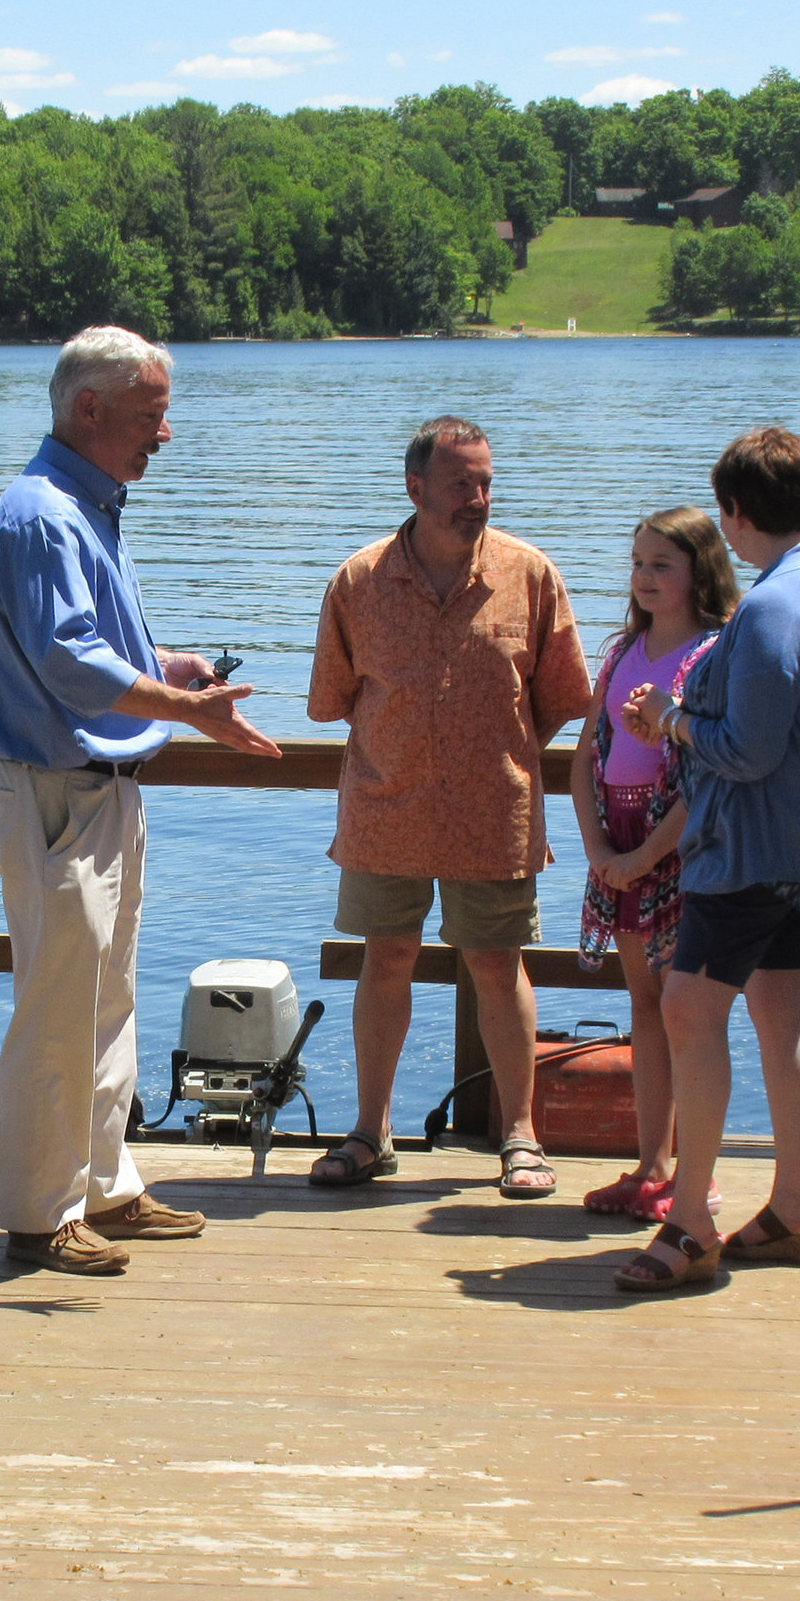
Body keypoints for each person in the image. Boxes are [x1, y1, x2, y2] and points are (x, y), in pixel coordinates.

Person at [0, 325, 281, 1277]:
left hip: (94, 793)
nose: (166, 434)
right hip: (60, 793)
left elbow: (89, 651)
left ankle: (105, 1188)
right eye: (151, 415)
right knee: (60, 1010)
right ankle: (39, 1214)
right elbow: (68, 664)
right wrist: (186, 706)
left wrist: (165, 669)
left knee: (104, 1004)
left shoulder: (81, 505)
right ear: (89, 409)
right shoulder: (46, 515)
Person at [306, 416, 592, 1198]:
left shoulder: (529, 574)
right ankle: (371, 1133)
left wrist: (491, 748)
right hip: (384, 808)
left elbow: (562, 696)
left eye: (486, 481)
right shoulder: (358, 581)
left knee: (499, 966)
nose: (478, 496)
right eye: (461, 482)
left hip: (492, 811)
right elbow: (332, 700)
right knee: (384, 958)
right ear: (416, 486)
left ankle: (521, 1139)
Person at [612, 425, 800, 1293]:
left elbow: (749, 751)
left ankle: (688, 1224)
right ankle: (794, 1207)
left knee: (687, 1007)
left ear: (735, 511)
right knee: (780, 1006)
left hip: (758, 845)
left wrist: (675, 723)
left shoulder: (770, 606)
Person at [570, 508, 737, 1222]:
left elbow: (705, 781)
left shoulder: (712, 655)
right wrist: (600, 849)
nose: (643, 577)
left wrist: (643, 854)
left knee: (686, 1013)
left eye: (661, 565)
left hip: (677, 847)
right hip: (619, 838)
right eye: (638, 563)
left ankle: (694, 1180)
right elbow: (584, 759)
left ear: (699, 571)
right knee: (643, 1006)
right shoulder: (620, 651)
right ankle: (649, 1166)